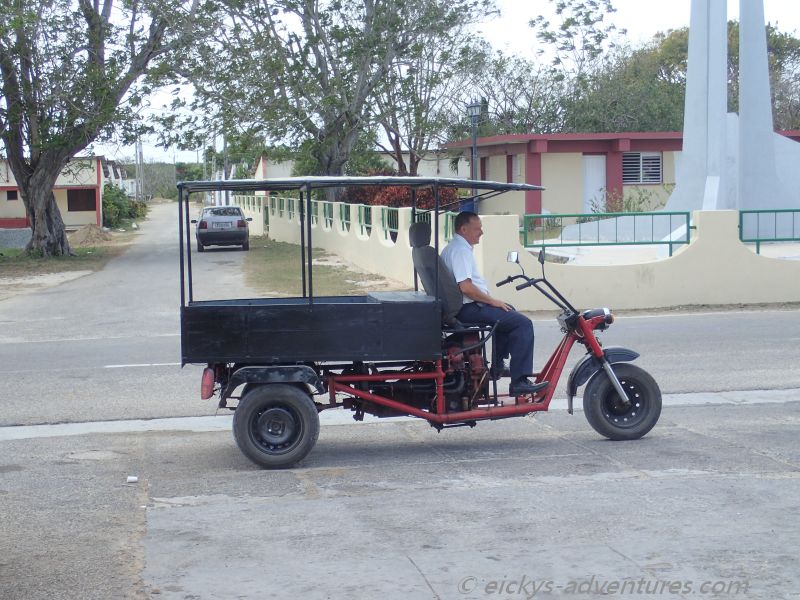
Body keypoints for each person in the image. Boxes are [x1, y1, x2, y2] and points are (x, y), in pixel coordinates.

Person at [441, 211, 547, 396]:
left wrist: (494, 303)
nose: (481, 233)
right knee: (522, 324)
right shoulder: (460, 251)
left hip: (464, 306)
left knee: (508, 312)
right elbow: (465, 287)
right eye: (477, 229)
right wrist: (492, 301)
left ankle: (498, 366)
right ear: (463, 229)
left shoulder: (455, 247)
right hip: (468, 308)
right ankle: (519, 381)